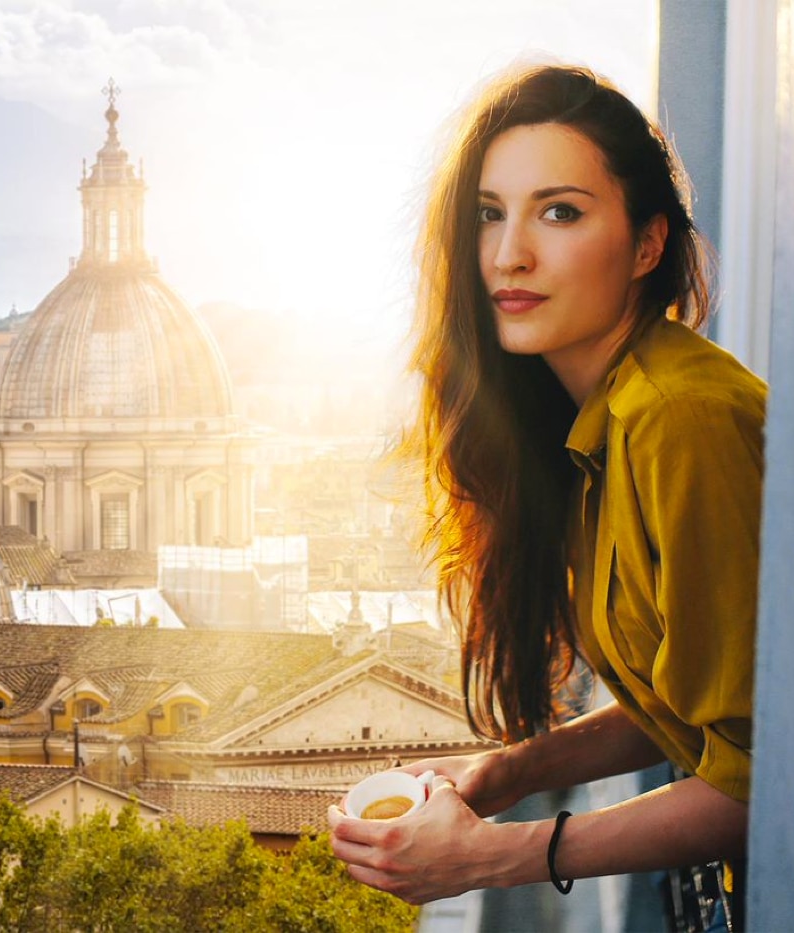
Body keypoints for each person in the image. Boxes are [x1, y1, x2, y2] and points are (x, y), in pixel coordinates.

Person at [328, 64, 765, 929]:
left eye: (559, 211)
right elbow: (689, 707)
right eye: (491, 213)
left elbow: (768, 776)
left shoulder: (679, 419)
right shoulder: (604, 421)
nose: (507, 253)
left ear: (646, 245)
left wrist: (496, 855)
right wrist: (508, 772)